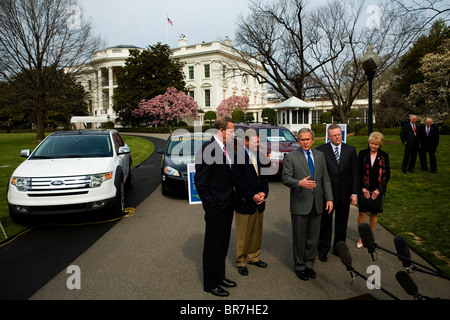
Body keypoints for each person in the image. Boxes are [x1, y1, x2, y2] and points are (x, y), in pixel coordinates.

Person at [282, 128, 333, 281]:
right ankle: (299, 266)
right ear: (299, 140)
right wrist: (299, 183)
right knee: (299, 237)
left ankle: (309, 264)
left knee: (313, 237)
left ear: (313, 140)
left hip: (317, 203)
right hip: (300, 203)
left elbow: (326, 179)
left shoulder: (320, 156)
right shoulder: (291, 157)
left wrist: (329, 199)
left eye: (307, 139)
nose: (305, 142)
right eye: (302, 139)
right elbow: (285, 178)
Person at [194, 116, 236, 297]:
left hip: (227, 205)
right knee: (212, 246)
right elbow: (200, 182)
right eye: (232, 130)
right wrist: (211, 204)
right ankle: (210, 284)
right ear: (222, 131)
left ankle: (220, 276)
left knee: (223, 243)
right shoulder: (207, 150)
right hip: (216, 208)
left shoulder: (226, 149)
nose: (234, 133)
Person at [316, 124, 359, 262]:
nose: (337, 137)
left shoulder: (350, 150)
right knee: (326, 223)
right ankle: (323, 249)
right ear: (328, 137)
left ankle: (339, 248)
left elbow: (355, 173)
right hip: (327, 195)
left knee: (342, 223)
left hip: (344, 193)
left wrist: (354, 193)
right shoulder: (321, 150)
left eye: (339, 134)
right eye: (334, 135)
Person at [233, 131, 270, 276]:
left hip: (260, 201)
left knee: (256, 231)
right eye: (255, 141)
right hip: (245, 202)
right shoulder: (237, 157)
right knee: (243, 233)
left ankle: (254, 256)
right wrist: (252, 196)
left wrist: (263, 193)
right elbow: (237, 181)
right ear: (246, 142)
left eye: (258, 141)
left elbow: (265, 177)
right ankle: (241, 261)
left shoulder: (261, 156)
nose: (258, 144)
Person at [356, 132, 390, 248]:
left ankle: (370, 237)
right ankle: (362, 236)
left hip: (378, 188)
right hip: (364, 187)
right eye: (371, 143)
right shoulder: (362, 154)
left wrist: (379, 190)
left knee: (374, 213)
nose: (373, 146)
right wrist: (363, 188)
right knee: (362, 213)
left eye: (376, 144)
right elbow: (358, 173)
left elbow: (386, 175)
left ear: (380, 145)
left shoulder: (384, 156)